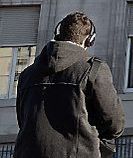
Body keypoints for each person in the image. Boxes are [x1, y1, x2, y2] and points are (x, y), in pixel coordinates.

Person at [14, 12, 124, 158]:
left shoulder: (27, 75)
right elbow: (114, 124)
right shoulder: (93, 70)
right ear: (89, 40)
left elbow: (23, 120)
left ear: (58, 33)